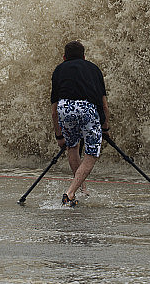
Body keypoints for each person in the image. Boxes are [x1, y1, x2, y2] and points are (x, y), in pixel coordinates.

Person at [50, 40, 109, 206]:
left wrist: (59, 135)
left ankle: (82, 189)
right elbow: (104, 105)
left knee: (73, 147)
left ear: (64, 57)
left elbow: (54, 111)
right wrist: (105, 128)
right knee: (92, 152)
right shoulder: (94, 69)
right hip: (87, 109)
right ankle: (70, 192)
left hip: (65, 108)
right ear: (84, 56)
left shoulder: (58, 70)